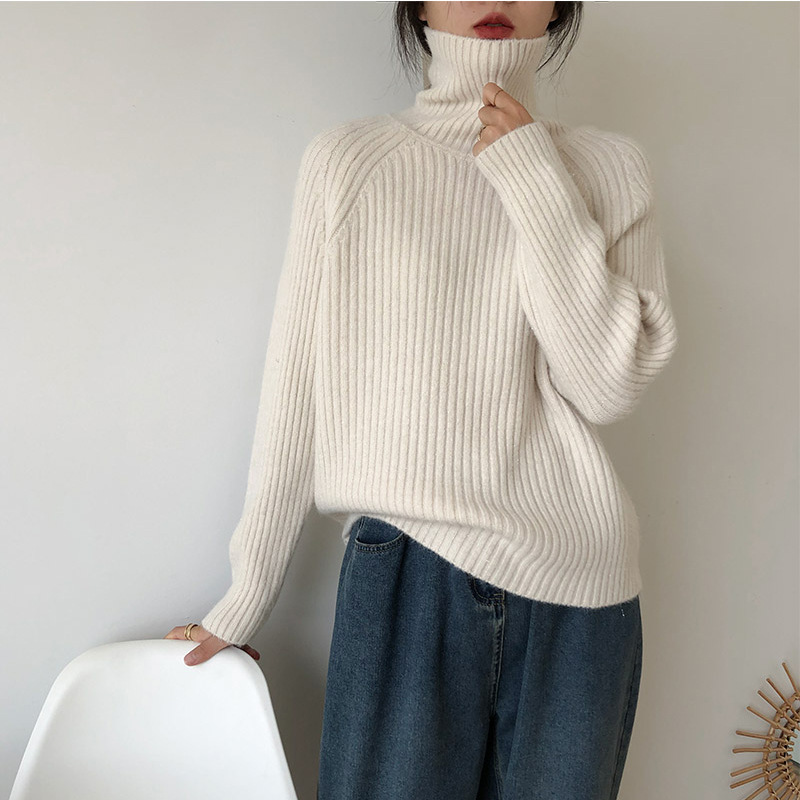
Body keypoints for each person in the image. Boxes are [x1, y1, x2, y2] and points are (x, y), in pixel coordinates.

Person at [165, 2, 678, 797]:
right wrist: (248, 593)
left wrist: (534, 174)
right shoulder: (351, 160)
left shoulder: (610, 167)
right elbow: (297, 384)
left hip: (583, 596)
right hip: (407, 574)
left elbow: (607, 385)